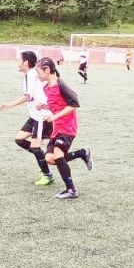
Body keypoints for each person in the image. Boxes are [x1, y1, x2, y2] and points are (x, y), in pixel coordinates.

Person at [35, 58, 93, 200]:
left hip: (67, 127)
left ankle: (71, 190)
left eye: (39, 72)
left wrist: (55, 117)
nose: (37, 75)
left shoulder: (61, 84)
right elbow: (56, 105)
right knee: (50, 158)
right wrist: (45, 107)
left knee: (58, 154)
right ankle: (82, 153)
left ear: (48, 70)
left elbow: (74, 104)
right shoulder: (46, 88)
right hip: (57, 128)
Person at [0, 51, 54, 186]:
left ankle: (47, 174)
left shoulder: (31, 75)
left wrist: (9, 104)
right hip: (34, 116)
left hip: (41, 117)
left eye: (20, 60)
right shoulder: (31, 75)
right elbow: (33, 97)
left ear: (26, 63)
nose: (18, 63)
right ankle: (42, 157)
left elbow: (28, 97)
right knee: (19, 139)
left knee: (35, 147)